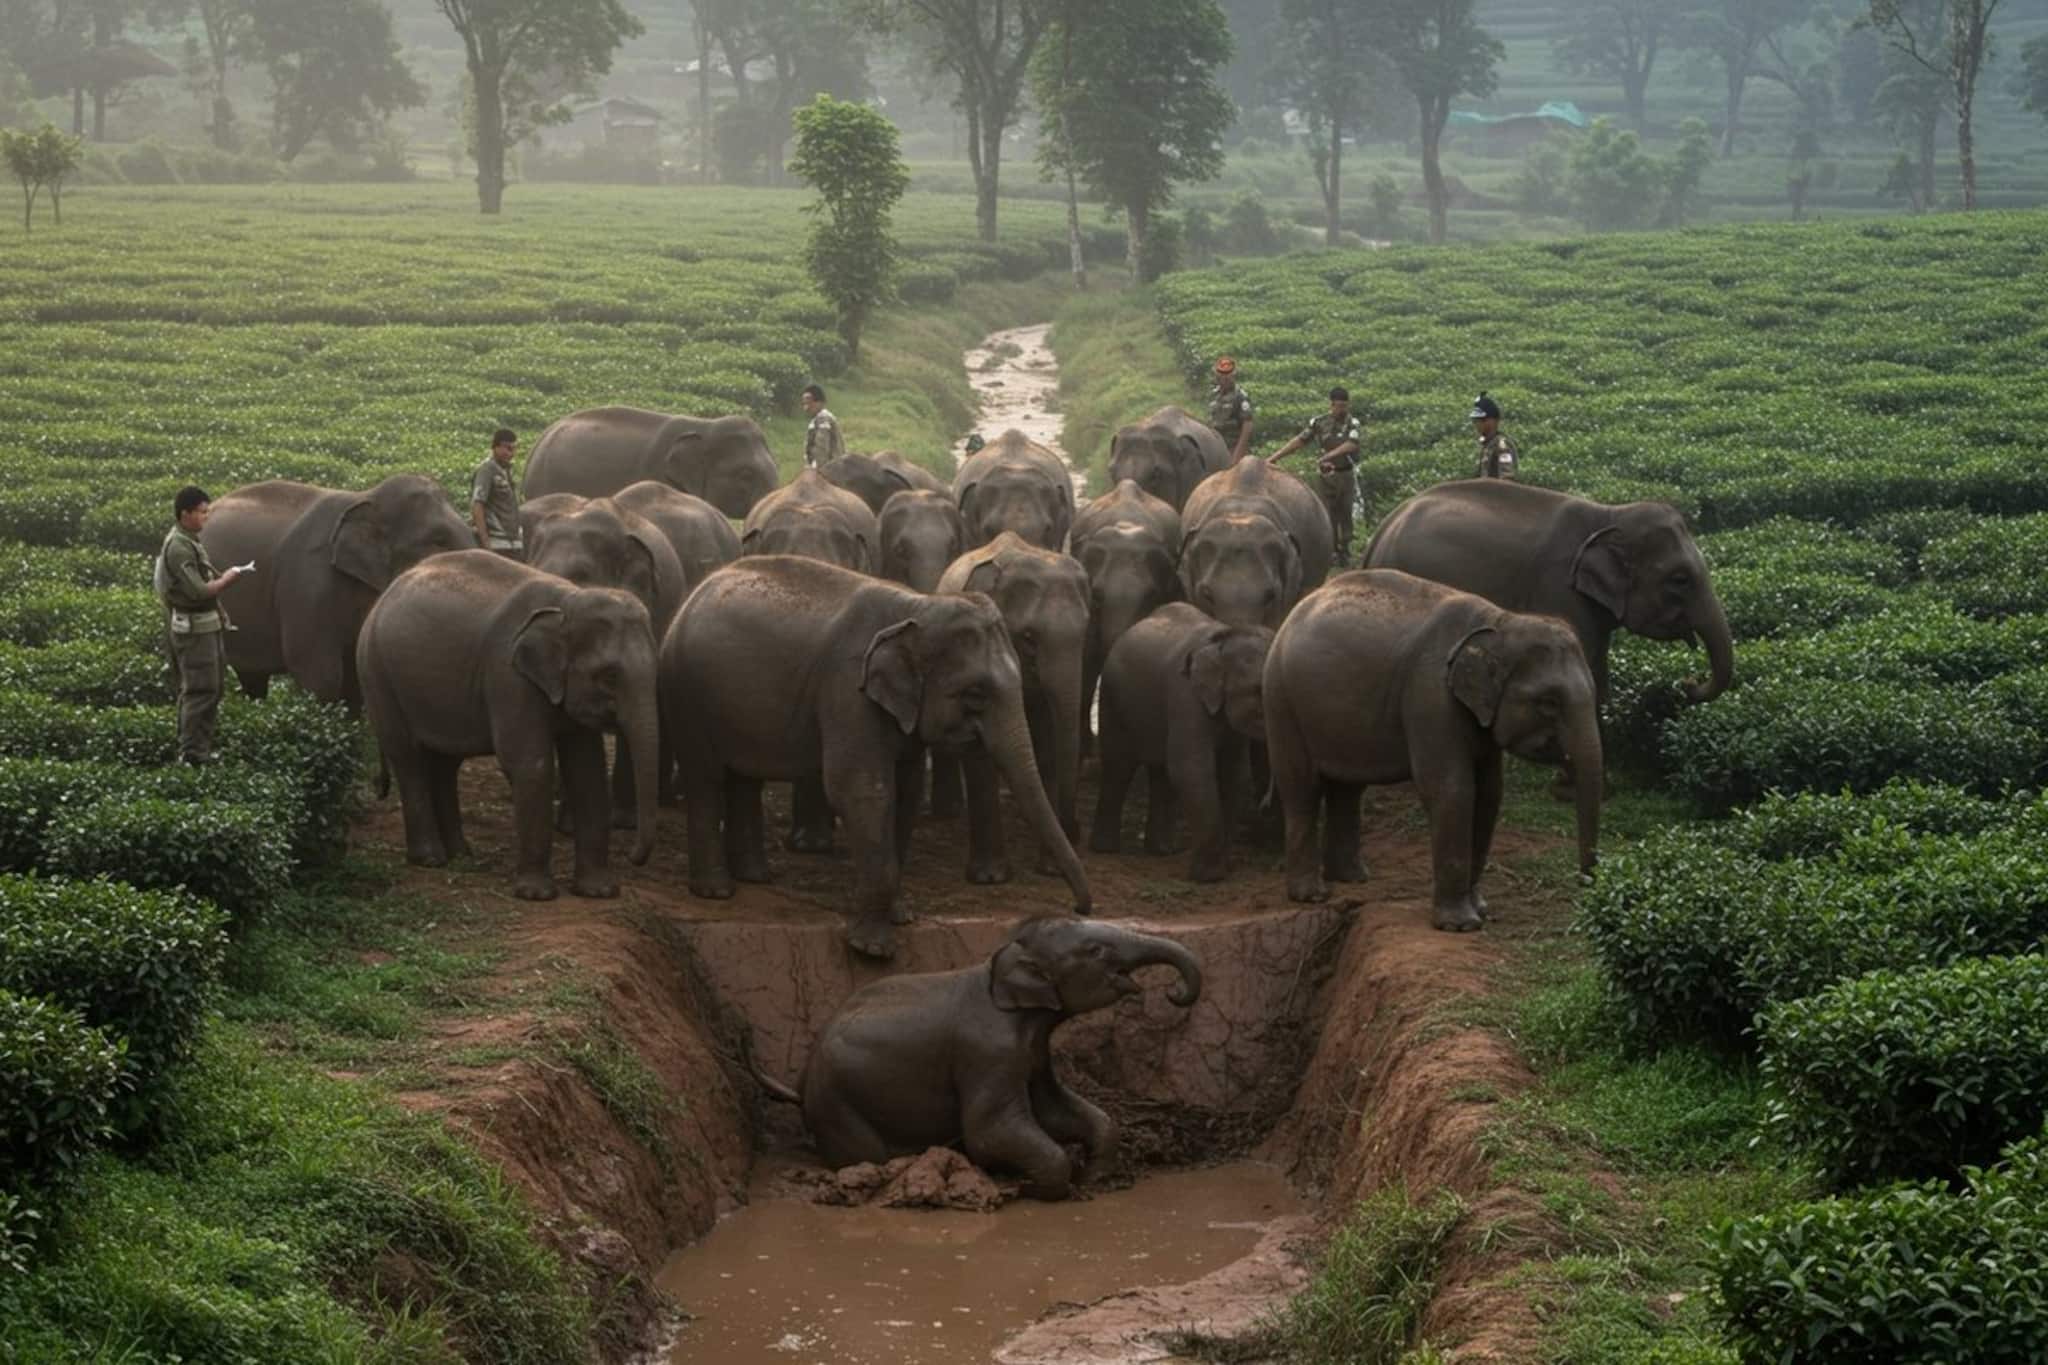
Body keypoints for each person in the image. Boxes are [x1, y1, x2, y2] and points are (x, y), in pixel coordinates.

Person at [156, 485, 245, 765]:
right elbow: (198, 592)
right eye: (202, 512)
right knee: (199, 691)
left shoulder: (190, 540)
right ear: (185, 514)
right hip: (193, 631)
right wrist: (228, 578)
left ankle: (199, 749)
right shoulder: (179, 546)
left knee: (213, 688)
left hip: (206, 627)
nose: (207, 517)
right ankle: (192, 754)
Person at [1268, 387, 1365, 566]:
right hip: (1326, 475)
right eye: (1339, 406)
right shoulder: (1320, 422)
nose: (1342, 410)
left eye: (1345, 406)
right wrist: (1274, 458)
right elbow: (1300, 441)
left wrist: (1329, 456)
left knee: (1345, 512)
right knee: (1327, 513)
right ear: (1332, 405)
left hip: (1345, 473)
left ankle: (1345, 551)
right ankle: (1331, 551)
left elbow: (1352, 444)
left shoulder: (1353, 423)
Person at [471, 427, 524, 558]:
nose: (511, 453)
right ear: (496, 447)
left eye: (514, 449)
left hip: (513, 543)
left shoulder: (507, 471)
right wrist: (486, 543)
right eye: (508, 448)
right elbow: (477, 505)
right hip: (497, 544)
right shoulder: (487, 470)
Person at [1208, 356, 1254, 464]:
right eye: (1221, 376)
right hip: (1217, 447)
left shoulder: (1240, 396)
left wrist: (1237, 455)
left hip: (1233, 448)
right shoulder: (1213, 394)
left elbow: (1247, 427)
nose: (1224, 380)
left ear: (1233, 376)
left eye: (1228, 376)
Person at [1470, 392, 1519, 480]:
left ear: (1493, 421)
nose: (1477, 424)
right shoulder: (1487, 445)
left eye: (1482, 420)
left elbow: (1507, 478)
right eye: (1475, 420)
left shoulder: (1502, 446)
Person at [803, 384, 846, 468]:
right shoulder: (817, 419)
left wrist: (817, 472)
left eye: (809, 404)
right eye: (804, 404)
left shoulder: (823, 418)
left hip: (831, 470)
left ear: (819, 402)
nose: (806, 408)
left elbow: (821, 449)